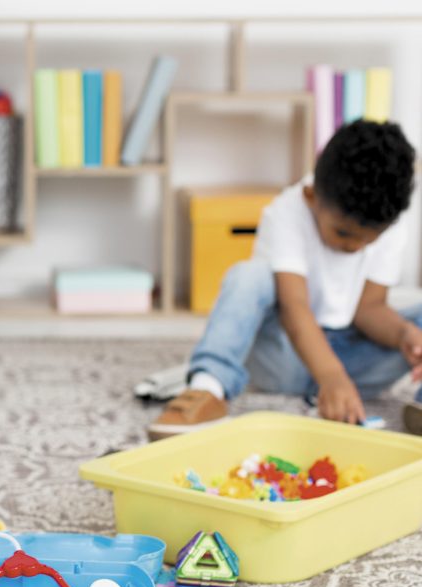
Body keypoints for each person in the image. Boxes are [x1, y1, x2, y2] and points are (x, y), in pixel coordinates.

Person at [149, 119, 420, 440]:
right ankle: (208, 387)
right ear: (311, 197)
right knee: (248, 275)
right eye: (344, 233)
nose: (354, 247)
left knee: (415, 322)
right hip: (283, 356)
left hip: (352, 364)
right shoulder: (286, 213)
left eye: (369, 239)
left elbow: (370, 309)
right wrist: (331, 377)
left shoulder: (388, 218)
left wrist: (405, 335)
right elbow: (295, 309)